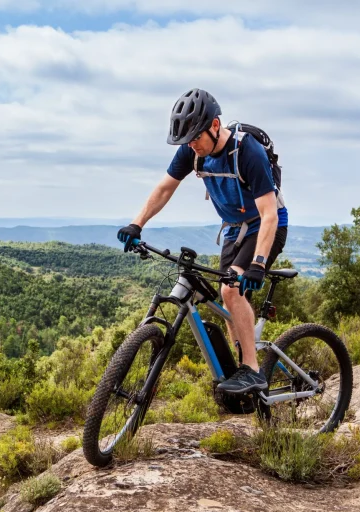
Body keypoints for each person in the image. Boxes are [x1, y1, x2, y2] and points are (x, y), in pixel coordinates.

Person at [117, 88, 288, 394]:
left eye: (195, 137)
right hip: (235, 228)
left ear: (214, 125)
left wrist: (259, 264)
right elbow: (164, 188)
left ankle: (252, 369)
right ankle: (241, 375)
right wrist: (136, 223)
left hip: (266, 225)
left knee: (231, 289)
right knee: (227, 299)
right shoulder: (192, 152)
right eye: (186, 140)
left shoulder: (247, 152)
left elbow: (269, 213)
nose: (191, 145)